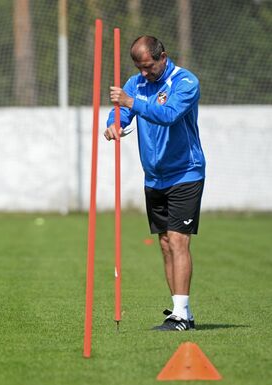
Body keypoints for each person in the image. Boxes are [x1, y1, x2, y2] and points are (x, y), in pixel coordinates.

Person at [104, 35, 206, 331]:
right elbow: (122, 111)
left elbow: (169, 115)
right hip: (155, 175)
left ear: (163, 56)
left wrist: (131, 101)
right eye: (139, 68)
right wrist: (115, 124)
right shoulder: (136, 83)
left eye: (148, 67)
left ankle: (181, 314)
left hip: (186, 172)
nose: (144, 73)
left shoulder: (185, 82)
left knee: (178, 240)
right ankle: (180, 311)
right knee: (164, 244)